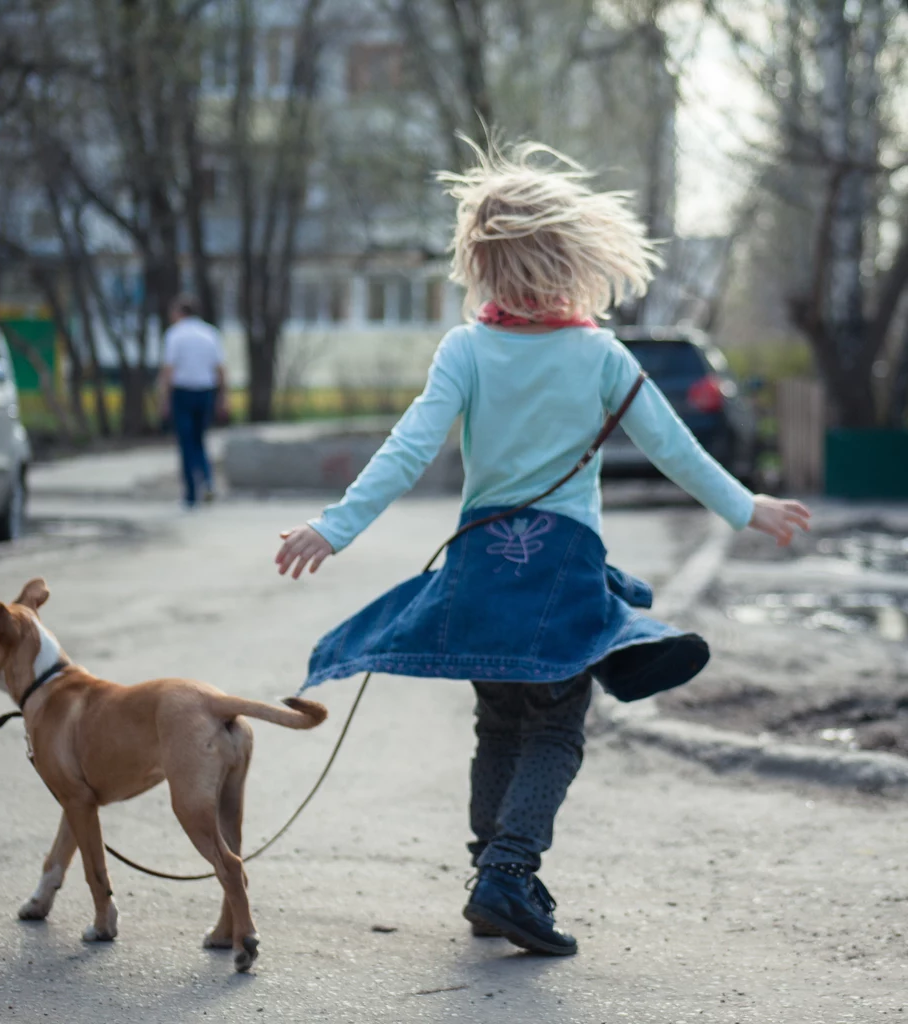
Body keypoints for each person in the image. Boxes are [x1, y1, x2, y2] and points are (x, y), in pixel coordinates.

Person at [274, 138, 811, 957]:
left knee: (498, 723)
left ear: (481, 265)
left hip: (482, 572)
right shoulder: (597, 354)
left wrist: (332, 527)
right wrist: (749, 506)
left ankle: (492, 871)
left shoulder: (466, 349)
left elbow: (408, 449)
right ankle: (509, 871)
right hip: (561, 579)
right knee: (556, 728)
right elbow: (673, 449)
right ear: (572, 258)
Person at [158, 295, 229, 507]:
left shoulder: (175, 335)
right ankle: (207, 482)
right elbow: (220, 369)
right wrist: (223, 397)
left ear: (180, 312)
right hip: (206, 391)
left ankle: (190, 493)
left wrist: (164, 400)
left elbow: (168, 370)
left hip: (183, 392)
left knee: (186, 442)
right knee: (200, 440)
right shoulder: (210, 333)